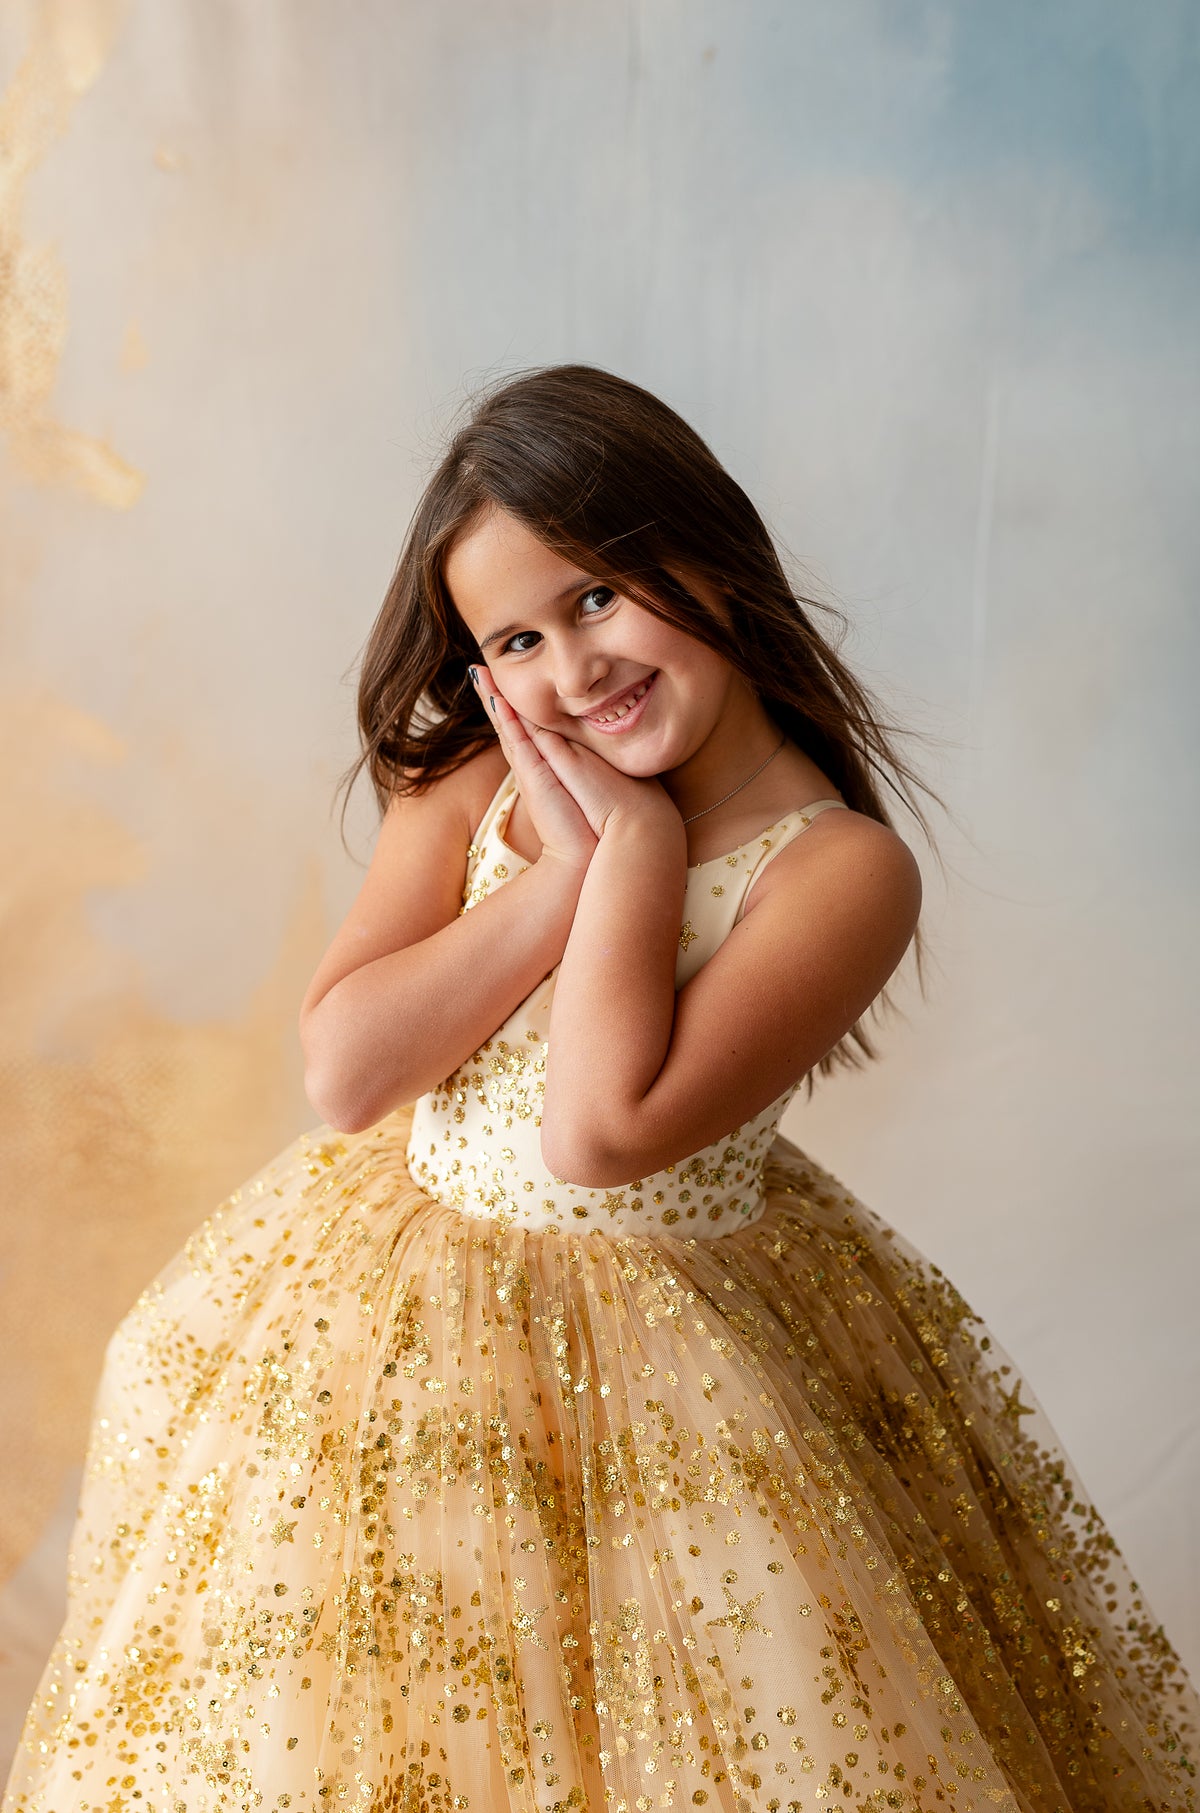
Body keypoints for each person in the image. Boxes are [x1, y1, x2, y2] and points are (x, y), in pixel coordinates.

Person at [4, 364, 1195, 1813]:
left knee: (673, 1734)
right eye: (516, 636)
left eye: (597, 597)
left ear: (713, 557)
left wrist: (631, 849)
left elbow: (604, 1129)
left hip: (686, 1364)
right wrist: (556, 872)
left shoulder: (837, 872)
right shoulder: (472, 790)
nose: (571, 671)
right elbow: (349, 1070)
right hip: (392, 1336)